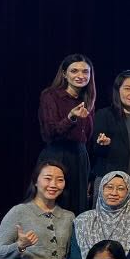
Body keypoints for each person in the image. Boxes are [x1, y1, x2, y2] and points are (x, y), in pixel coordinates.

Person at [37, 54, 95, 214]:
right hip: (57, 155)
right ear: (64, 73)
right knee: (56, 204)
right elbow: (49, 133)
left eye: (85, 72)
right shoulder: (50, 96)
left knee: (79, 207)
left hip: (80, 157)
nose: (80, 76)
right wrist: (71, 117)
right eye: (74, 71)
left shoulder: (88, 98)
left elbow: (87, 137)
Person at [90, 70, 130, 215]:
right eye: (127, 88)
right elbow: (95, 151)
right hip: (113, 182)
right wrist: (103, 144)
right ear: (117, 91)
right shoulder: (104, 115)